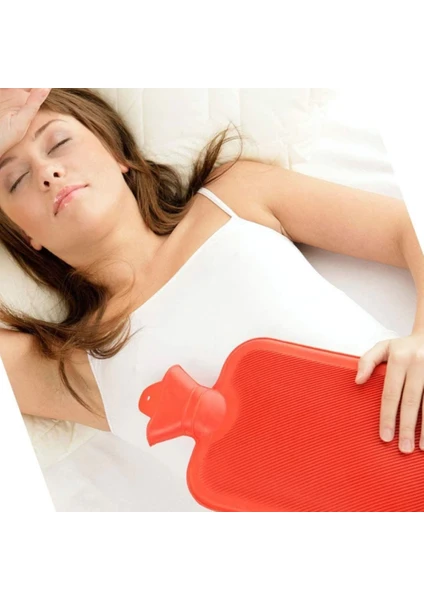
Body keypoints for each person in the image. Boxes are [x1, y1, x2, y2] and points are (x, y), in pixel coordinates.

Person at [0, 88, 412, 455]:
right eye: (15, 180)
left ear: (116, 154)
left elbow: (403, 230)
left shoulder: (234, 197)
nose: (47, 173)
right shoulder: (74, 370)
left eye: (59, 143)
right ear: (23, 234)